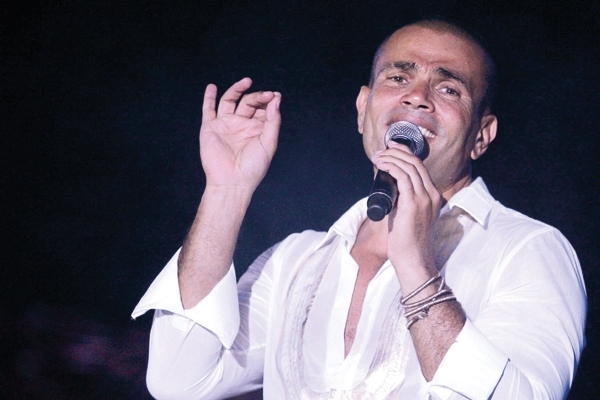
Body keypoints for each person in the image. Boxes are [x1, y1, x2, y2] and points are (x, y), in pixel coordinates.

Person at [132, 19, 586, 399]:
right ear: (363, 108)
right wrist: (226, 191)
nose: (418, 96)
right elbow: (178, 380)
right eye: (398, 78)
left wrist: (417, 270)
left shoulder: (526, 249)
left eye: (448, 88)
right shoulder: (295, 260)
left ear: (481, 136)